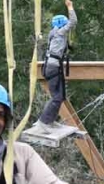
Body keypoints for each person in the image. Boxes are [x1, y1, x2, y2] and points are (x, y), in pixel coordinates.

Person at [33, 0, 77, 134]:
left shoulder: (54, 33)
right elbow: (73, 22)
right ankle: (43, 122)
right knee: (56, 97)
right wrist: (70, 7)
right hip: (53, 67)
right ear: (62, 25)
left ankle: (50, 121)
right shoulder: (59, 32)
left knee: (60, 96)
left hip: (52, 67)